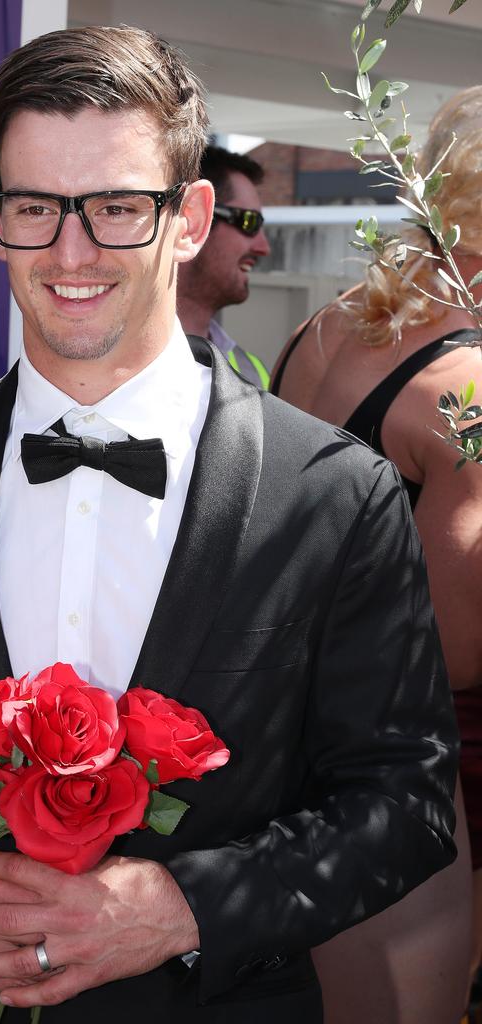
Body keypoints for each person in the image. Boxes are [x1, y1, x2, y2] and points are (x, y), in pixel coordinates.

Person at [0, 26, 459, 1024]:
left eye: (119, 207)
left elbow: (405, 802)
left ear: (190, 218)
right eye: (35, 207)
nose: (72, 251)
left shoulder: (334, 493)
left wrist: (183, 908)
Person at [272, 86, 482, 1024]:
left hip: (275, 756)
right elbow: (453, 652)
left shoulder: (324, 329)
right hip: (397, 788)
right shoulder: (468, 387)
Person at [177, 145, 271, 388]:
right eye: (249, 221)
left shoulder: (251, 371)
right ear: (193, 221)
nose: (264, 247)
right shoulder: (97, 357)